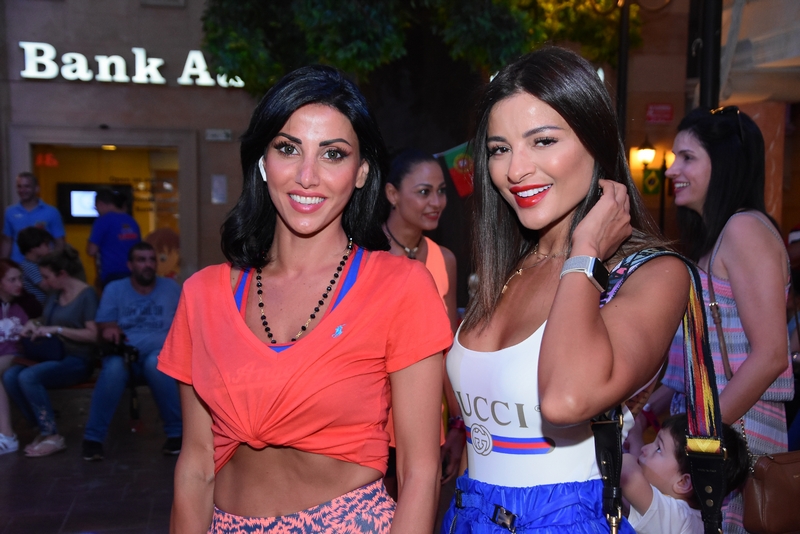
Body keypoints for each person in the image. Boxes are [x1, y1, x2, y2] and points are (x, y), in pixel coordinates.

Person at [157, 65, 452, 533]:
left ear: (361, 172)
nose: (307, 176)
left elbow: (419, 472)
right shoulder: (202, 295)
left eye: (333, 154)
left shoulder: (401, 286)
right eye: (288, 148)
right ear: (262, 161)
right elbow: (195, 467)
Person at [442, 46, 689, 533]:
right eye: (499, 149)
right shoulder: (507, 268)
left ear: (596, 142)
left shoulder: (652, 273)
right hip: (469, 515)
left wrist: (586, 250)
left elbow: (567, 399)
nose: (515, 170)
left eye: (542, 141)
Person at [645, 106, 794, 533]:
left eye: (688, 157)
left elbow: (771, 355)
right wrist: (650, 412)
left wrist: (698, 438)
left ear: (724, 163)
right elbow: (698, 363)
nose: (671, 169)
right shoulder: (719, 238)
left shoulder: (745, 230)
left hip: (736, 440)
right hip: (714, 435)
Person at [381, 148, 464, 491]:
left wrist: (458, 422)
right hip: (372, 423)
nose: (436, 202)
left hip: (427, 420)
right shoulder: (365, 254)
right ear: (392, 194)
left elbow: (449, 348)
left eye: (441, 191)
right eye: (424, 192)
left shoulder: (444, 259)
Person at [82, 241, 181, 461]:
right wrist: (109, 330)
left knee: (156, 363)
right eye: (141, 260)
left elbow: (186, 321)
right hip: (125, 354)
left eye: (152, 260)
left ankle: (177, 434)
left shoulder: (171, 288)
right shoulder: (115, 289)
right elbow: (104, 323)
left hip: (159, 355)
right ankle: (93, 439)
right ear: (130, 265)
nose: (148, 264)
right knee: (114, 368)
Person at [3, 245, 98, 457]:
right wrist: (34, 324)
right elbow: (45, 320)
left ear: (62, 274)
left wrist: (58, 329)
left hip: (77, 358)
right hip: (52, 355)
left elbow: (93, 335)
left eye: (47, 277)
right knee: (10, 376)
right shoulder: (55, 294)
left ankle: (52, 435)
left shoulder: (87, 295)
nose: (44, 282)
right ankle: (40, 427)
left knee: (28, 377)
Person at [621, 414, 749, 534]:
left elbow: (629, 476)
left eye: (659, 449)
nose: (644, 449)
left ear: (683, 482)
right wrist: (635, 438)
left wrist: (625, 453)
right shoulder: (695, 520)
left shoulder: (678, 518)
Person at [1, 172, 65, 263]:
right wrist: (3, 265)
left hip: (42, 265)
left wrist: (53, 264)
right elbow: (7, 241)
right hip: (17, 265)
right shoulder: (10, 212)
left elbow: (59, 242)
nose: (22, 190)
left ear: (36, 188)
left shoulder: (52, 212)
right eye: (19, 186)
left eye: (27, 186)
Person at [0, 259, 29, 455]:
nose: (19, 284)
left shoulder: (25, 304)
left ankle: (7, 436)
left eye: (20, 279)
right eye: (12, 280)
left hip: (17, 355)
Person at [87, 188, 141, 289]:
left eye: (96, 208)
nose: (97, 211)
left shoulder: (102, 221)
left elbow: (91, 251)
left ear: (100, 204)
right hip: (133, 274)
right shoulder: (132, 221)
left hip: (111, 275)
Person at [16, 226, 55, 304]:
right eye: (46, 245)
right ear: (33, 247)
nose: (50, 248)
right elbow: (46, 287)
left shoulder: (37, 264)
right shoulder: (28, 266)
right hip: (39, 306)